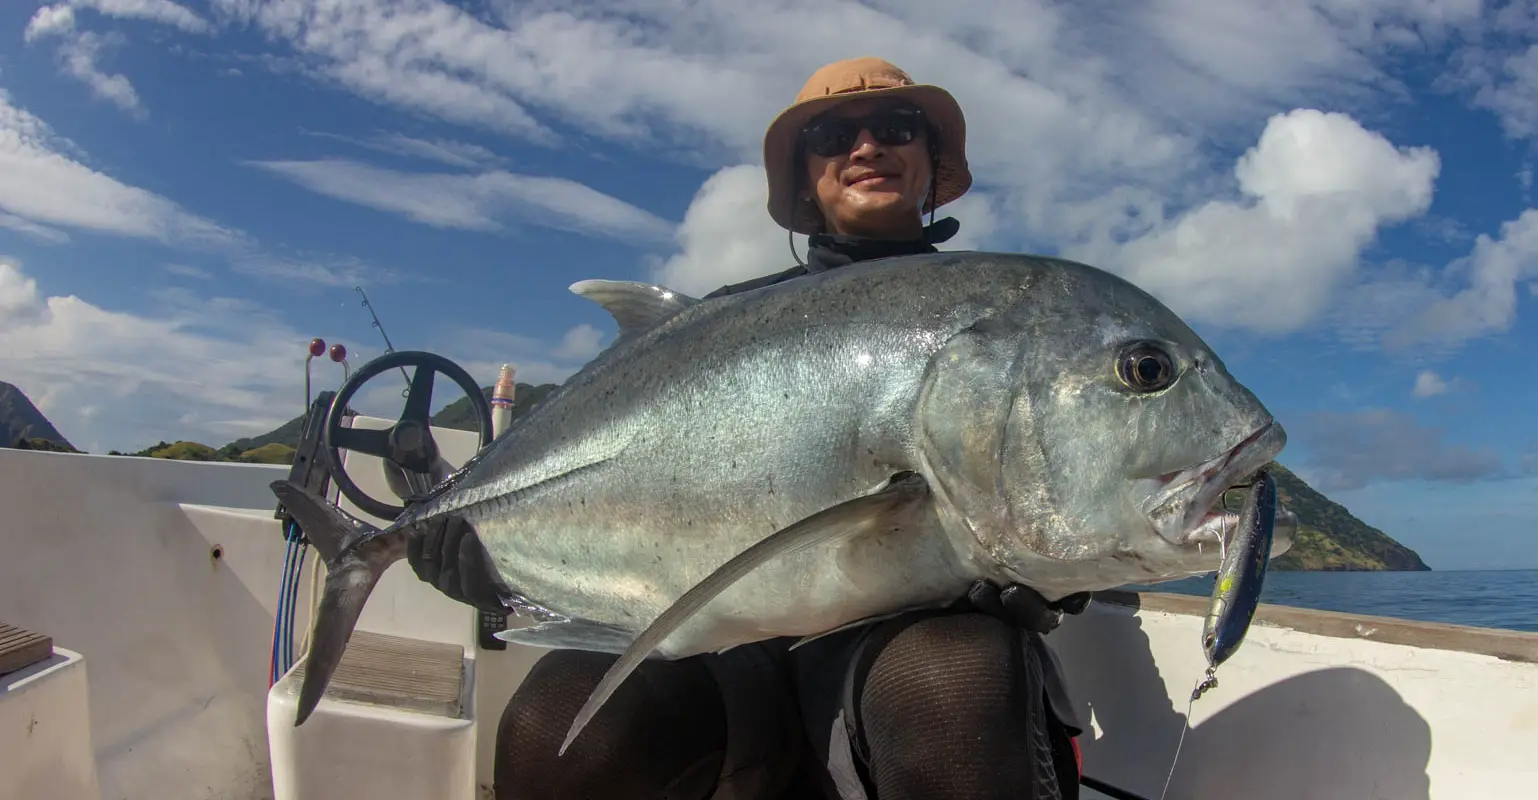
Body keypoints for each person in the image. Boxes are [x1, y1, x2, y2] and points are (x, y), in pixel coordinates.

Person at [408, 57, 1093, 800]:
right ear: (804, 178)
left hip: (902, 636)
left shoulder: (1008, 318)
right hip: (723, 648)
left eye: (897, 128)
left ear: (933, 164)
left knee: (953, 684)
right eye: (834, 135)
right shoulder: (717, 328)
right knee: (557, 724)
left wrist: (1056, 563)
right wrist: (494, 572)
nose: (866, 148)